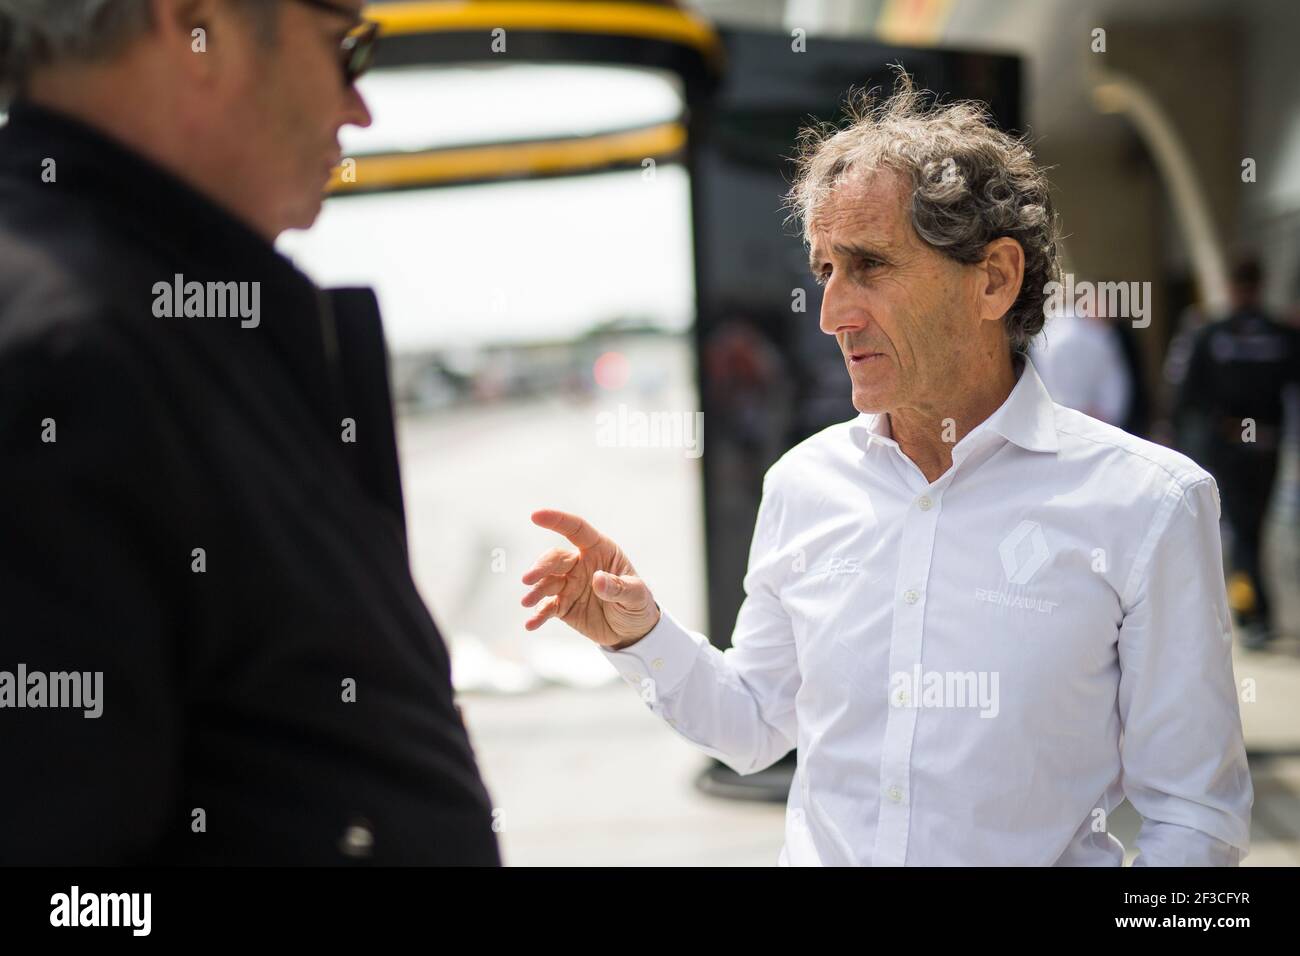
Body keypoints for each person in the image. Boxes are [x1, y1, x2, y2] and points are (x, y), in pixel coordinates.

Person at [522, 75, 1252, 866]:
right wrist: (641, 635)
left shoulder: (1149, 504)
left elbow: (1196, 820)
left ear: (995, 279)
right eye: (825, 269)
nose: (833, 312)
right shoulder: (802, 486)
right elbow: (756, 727)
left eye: (868, 265)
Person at [0, 0, 499, 864]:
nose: (360, 107)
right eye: (346, 45)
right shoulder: (63, 354)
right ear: (198, 28)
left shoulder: (149, 321)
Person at [1175, 258, 1300, 649]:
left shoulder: (1211, 333)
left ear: (1230, 286)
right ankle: (1253, 611)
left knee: (1242, 532)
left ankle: (1250, 612)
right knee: (1252, 530)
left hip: (1229, 444)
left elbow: (1187, 396)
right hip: (1265, 443)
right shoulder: (1281, 334)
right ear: (1260, 285)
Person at [1030, 300, 1132, 428]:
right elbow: (1049, 373)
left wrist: (1105, 412)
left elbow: (1113, 380)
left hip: (1091, 419)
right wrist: (1075, 408)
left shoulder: (1104, 336)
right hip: (1063, 416)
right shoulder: (1064, 332)